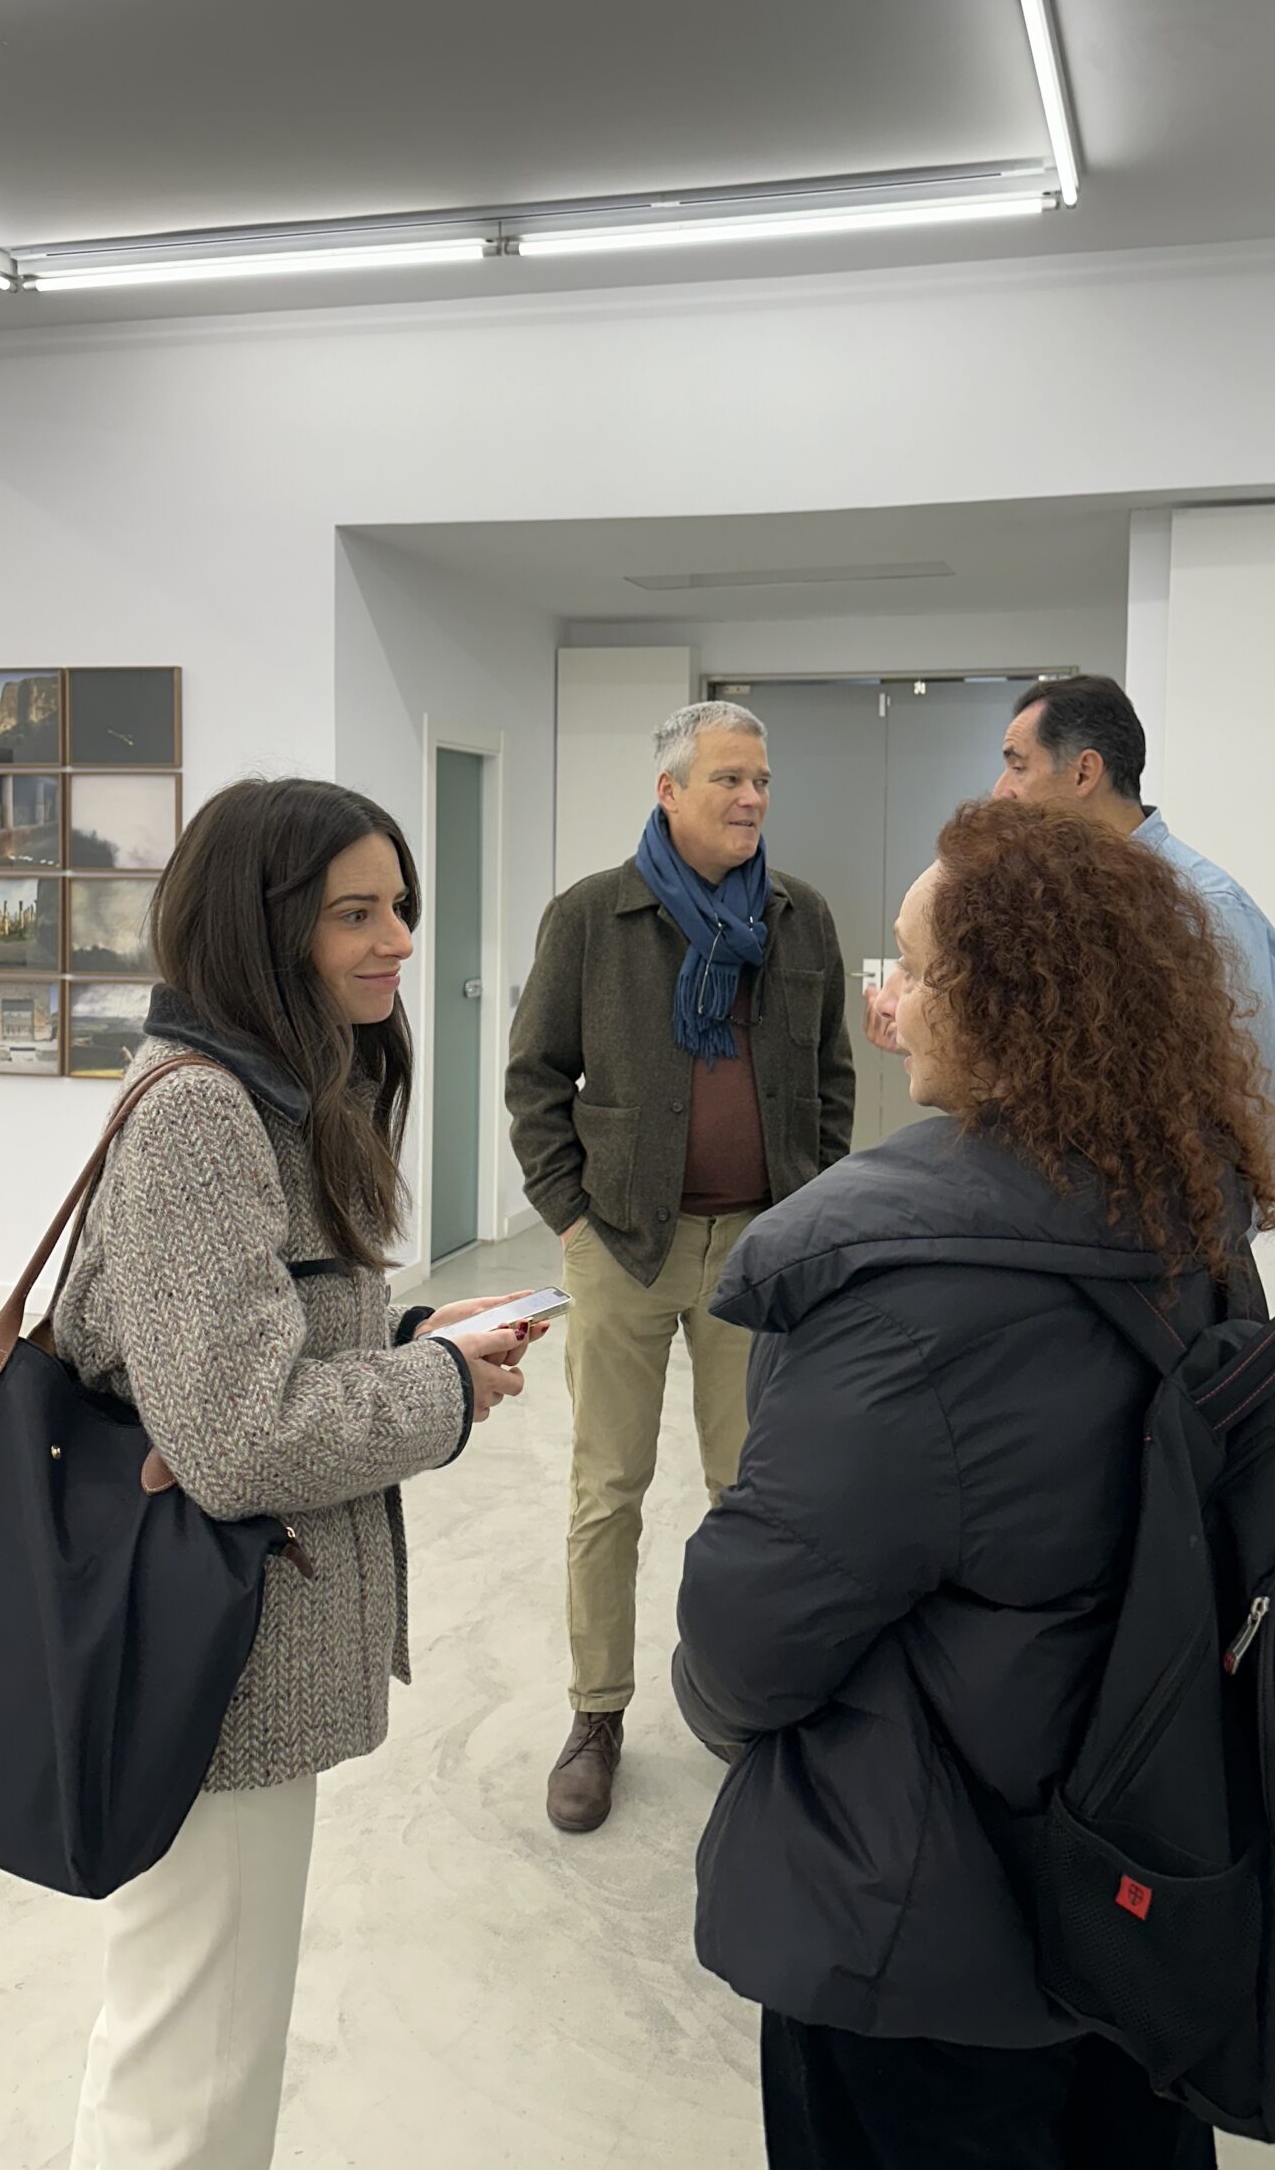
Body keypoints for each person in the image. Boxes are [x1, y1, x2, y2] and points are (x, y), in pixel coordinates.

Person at [674, 797, 1275, 2170]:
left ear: (1007, 1004)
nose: (890, 1001)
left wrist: (721, 1719)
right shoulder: (1186, 1221)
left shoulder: (905, 1300)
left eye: (916, 967)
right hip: (1148, 1884)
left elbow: (750, 1638)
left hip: (926, 1935)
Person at [54, 777, 534, 2170]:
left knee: (199, 2037)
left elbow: (231, 1343)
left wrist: (395, 1336)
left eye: (401, 909)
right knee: (190, 2067)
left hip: (240, 1645)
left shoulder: (271, 1096)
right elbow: (236, 1438)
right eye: (355, 914)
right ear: (263, 929)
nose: (396, 941)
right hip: (214, 1660)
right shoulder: (204, 1115)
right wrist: (438, 1387)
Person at [507, 702, 856, 1834]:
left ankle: (746, 1709)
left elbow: (831, 1080)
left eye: (762, 780)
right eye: (727, 781)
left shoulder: (800, 923)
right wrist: (570, 1215)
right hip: (623, 1247)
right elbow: (534, 1078)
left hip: (758, 1254)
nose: (752, 799)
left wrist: (808, 1206)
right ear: (669, 791)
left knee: (752, 1498)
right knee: (607, 1492)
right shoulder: (590, 919)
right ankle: (597, 1714)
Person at [866, 673, 1275, 1139]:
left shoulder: (1207, 909)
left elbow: (1254, 1114)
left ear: (1084, 772)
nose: (1000, 790)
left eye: (1019, 766)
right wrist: (934, 1032)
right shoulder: (1056, 904)